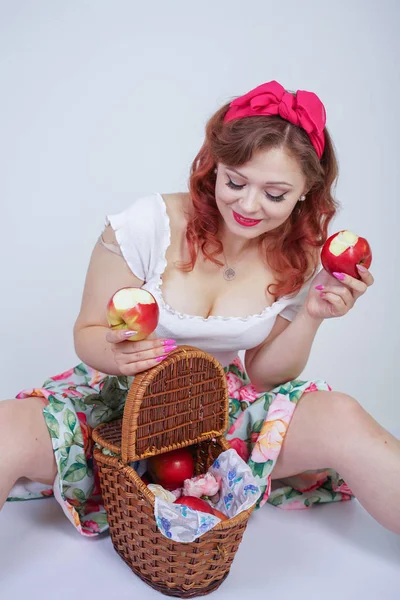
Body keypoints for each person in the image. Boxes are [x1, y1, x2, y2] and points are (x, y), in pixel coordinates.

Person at [1, 80, 399, 538]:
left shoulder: (303, 255)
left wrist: (312, 313)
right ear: (215, 165)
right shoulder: (148, 225)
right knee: (6, 427)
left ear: (307, 189)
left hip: (215, 417)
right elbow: (89, 330)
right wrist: (119, 355)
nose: (248, 205)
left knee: (343, 414)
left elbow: (265, 376)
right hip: (118, 404)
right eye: (235, 181)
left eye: (275, 194)